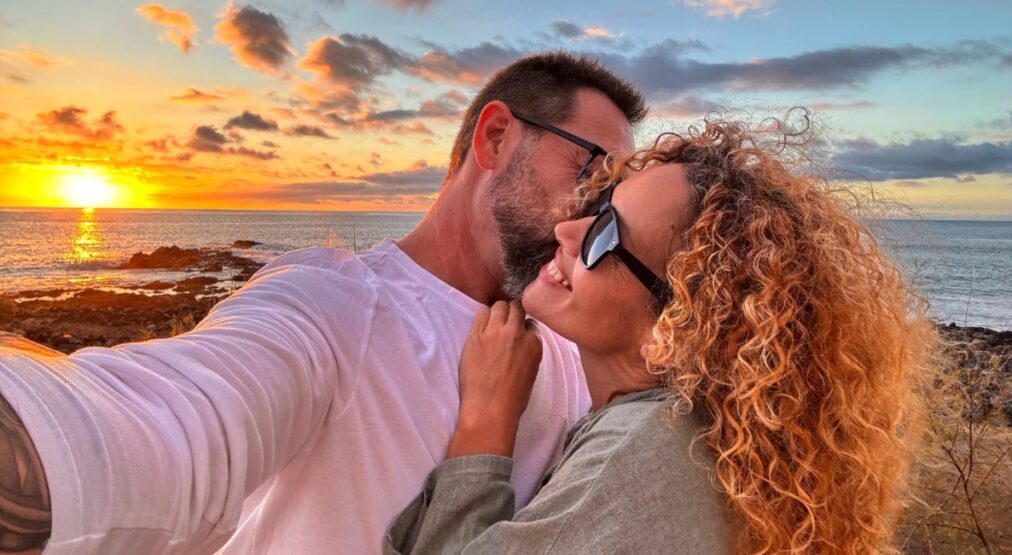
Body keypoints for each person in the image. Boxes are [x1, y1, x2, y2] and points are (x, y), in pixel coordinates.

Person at [0, 52, 646, 553]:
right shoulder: (336, 306)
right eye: (590, 173)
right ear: (496, 137)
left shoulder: (573, 347)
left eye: (613, 198)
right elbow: (174, 429)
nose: (596, 217)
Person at [385, 115, 935, 553]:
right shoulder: (717, 445)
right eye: (599, 204)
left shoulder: (641, 452)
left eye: (604, 236)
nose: (566, 228)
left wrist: (487, 418)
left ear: (669, 333)